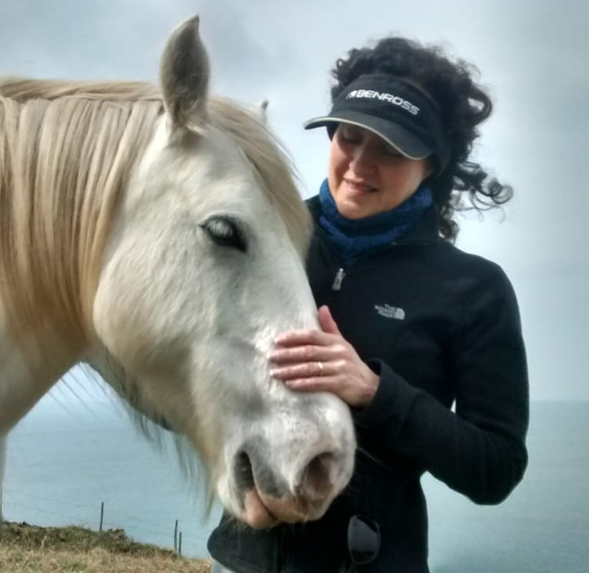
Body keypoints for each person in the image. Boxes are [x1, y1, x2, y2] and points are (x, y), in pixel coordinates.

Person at [207, 36, 530, 572]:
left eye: (389, 150)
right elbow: (181, 378)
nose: (359, 164)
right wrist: (231, 473)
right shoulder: (262, 238)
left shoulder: (474, 289)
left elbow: (495, 470)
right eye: (349, 137)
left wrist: (375, 392)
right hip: (240, 560)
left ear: (432, 165)